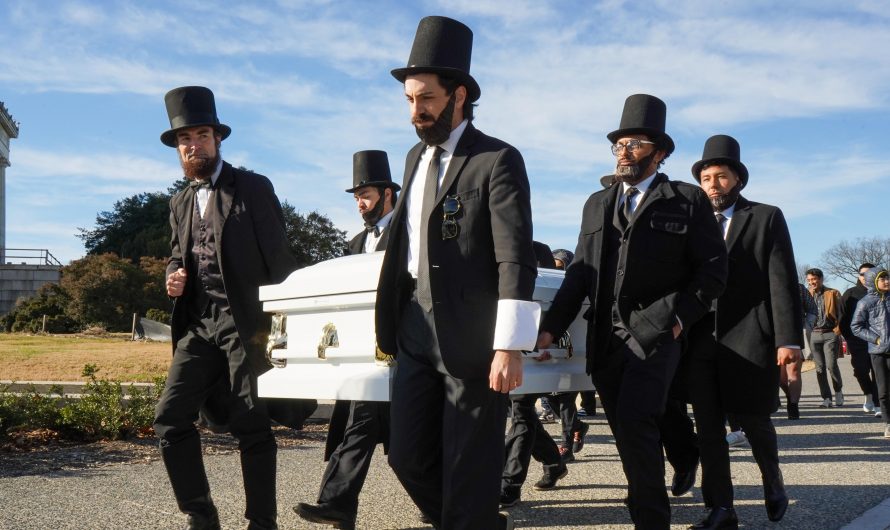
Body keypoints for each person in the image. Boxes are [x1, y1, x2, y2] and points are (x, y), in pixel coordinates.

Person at [375, 16, 538, 530]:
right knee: (405, 454)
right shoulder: (412, 159)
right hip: (414, 330)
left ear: (459, 94)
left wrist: (509, 345)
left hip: (472, 337)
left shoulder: (497, 160)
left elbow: (516, 255)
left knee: (469, 472)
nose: (415, 112)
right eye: (409, 100)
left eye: (425, 99)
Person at [538, 94, 727, 529]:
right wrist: (550, 328)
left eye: (635, 143)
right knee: (627, 432)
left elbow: (714, 271)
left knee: (637, 421)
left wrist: (678, 318)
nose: (624, 151)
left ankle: (649, 517)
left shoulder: (687, 199)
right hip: (605, 337)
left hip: (657, 334)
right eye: (618, 144)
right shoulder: (596, 203)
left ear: (659, 153)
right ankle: (673, 465)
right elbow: (579, 274)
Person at [153, 86, 298, 530]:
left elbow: (279, 259)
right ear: (178, 148)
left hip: (245, 324)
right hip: (199, 325)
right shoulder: (179, 202)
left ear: (217, 139)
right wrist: (173, 274)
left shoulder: (253, 188)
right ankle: (201, 514)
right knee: (170, 418)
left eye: (201, 134)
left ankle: (262, 521)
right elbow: (180, 253)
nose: (193, 144)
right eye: (184, 139)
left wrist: (287, 325)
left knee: (251, 424)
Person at [686, 134, 801, 528]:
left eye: (720, 177)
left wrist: (788, 341)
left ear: (737, 180)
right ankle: (721, 508)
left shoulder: (766, 216)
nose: (713, 185)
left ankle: (773, 478)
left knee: (754, 421)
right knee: (708, 429)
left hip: (752, 335)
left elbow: (782, 282)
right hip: (701, 339)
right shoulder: (692, 221)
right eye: (706, 178)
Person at [294, 150, 398, 529]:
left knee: (411, 445)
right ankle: (337, 504)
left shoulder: (410, 232)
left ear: (388, 193)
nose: (359, 202)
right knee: (359, 424)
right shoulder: (355, 243)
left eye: (365, 194)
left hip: (403, 353)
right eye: (356, 196)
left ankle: (462, 508)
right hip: (362, 356)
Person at [500, 242, 567, 508]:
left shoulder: (539, 250)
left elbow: (549, 296)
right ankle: (554, 462)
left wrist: (549, 339)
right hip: (503, 345)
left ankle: (510, 484)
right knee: (524, 415)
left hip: (536, 347)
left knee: (522, 412)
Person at [851, 267, 890, 437]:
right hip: (879, 351)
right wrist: (876, 339)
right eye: (882, 279)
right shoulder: (865, 302)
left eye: (887, 277)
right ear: (873, 281)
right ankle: (888, 423)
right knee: (883, 390)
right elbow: (856, 327)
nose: (887, 281)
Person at [841, 263, 880, 414]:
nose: (866, 277)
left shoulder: (881, 292)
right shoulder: (850, 293)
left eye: (870, 273)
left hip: (877, 340)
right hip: (857, 339)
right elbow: (842, 318)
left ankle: (877, 404)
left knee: (878, 372)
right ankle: (868, 394)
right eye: (863, 274)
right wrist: (849, 338)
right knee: (861, 370)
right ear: (859, 276)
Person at [806, 268, 845, 408]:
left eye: (814, 279)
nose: (812, 282)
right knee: (819, 368)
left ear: (821, 279)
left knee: (831, 365)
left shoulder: (833, 293)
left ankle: (838, 391)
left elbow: (841, 314)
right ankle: (826, 398)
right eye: (809, 280)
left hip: (830, 333)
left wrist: (837, 331)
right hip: (814, 334)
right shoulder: (807, 294)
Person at [780, 284, 817, 419]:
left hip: (795, 331)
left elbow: (812, 309)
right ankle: (790, 395)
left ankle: (793, 405)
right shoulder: (765, 284)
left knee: (794, 371)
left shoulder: (799, 288)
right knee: (781, 377)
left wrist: (807, 326)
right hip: (773, 333)